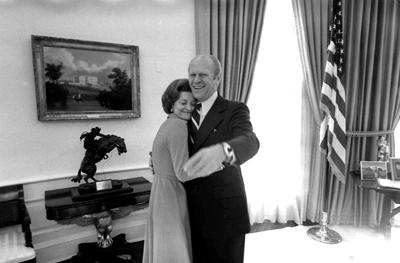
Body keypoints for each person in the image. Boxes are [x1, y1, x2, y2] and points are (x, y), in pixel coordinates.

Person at [182, 54, 260, 263]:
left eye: (203, 75)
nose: (196, 80)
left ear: (217, 79)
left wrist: (224, 151)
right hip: (188, 213)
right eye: (192, 74)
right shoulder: (183, 110)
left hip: (224, 217)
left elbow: (250, 141)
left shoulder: (235, 109)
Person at [142, 79, 197, 263]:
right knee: (174, 249)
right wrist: (215, 162)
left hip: (160, 192)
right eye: (183, 102)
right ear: (171, 104)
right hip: (171, 195)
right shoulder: (178, 126)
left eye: (193, 103)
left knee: (164, 247)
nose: (189, 107)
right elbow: (183, 173)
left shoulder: (167, 123)